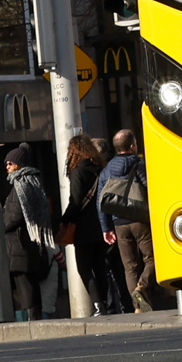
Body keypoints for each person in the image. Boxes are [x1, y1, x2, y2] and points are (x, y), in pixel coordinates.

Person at [95, 128, 162, 312]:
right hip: (140, 219)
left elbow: (100, 201)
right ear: (132, 146)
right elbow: (151, 189)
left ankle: (138, 307)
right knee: (153, 258)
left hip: (119, 223)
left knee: (130, 267)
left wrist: (106, 228)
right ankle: (142, 287)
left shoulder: (106, 171)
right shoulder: (139, 165)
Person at [3, 146, 63, 320]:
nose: (7, 167)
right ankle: (34, 319)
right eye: (6, 164)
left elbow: (15, 215)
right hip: (31, 243)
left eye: (10, 163)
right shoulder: (32, 181)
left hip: (19, 244)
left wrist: (0, 226)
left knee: (25, 287)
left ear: (19, 164)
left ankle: (31, 321)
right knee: (31, 285)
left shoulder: (20, 184)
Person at [60, 134, 115, 314]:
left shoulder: (78, 172)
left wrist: (64, 220)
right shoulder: (100, 169)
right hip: (102, 224)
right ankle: (104, 303)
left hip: (83, 228)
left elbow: (76, 201)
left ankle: (98, 305)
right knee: (99, 267)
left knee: (84, 268)